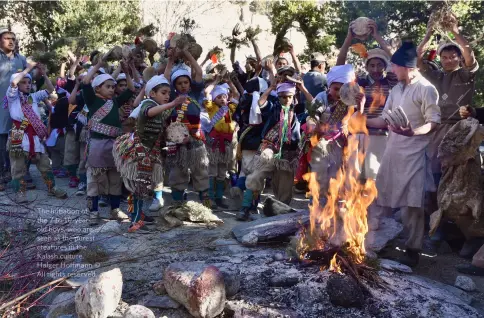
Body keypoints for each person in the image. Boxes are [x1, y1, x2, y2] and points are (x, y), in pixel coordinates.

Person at [365, 42, 441, 267]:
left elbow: (433, 122)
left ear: (406, 67)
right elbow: (384, 119)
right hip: (392, 152)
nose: (391, 71)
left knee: (412, 205)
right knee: (381, 197)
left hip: (415, 155)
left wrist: (412, 132)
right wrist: (360, 121)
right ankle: (377, 242)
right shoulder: (397, 89)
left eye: (394, 67)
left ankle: (412, 250)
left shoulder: (426, 89)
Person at [418, 15, 479, 256]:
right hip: (438, 131)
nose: (449, 59)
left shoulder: (465, 75)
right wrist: (428, 33)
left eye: (453, 56)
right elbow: (419, 59)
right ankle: (437, 228)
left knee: (463, 182)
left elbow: (468, 54)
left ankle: (471, 236)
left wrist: (454, 31)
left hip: (463, 130)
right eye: (444, 56)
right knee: (433, 178)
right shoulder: (437, 76)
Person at [336, 20, 397, 228]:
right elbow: (340, 64)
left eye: (380, 64)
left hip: (380, 136)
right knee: (353, 177)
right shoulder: (359, 82)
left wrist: (377, 35)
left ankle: (374, 219)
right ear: (366, 66)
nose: (376, 68)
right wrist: (349, 38)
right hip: (357, 135)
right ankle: (354, 217)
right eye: (372, 64)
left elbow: (395, 57)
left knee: (375, 178)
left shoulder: (390, 81)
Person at [114, 75, 184, 232]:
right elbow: (148, 113)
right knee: (137, 187)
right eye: (164, 93)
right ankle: (135, 220)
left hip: (149, 153)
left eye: (168, 93)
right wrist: (172, 103)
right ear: (152, 94)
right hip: (138, 152)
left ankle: (138, 215)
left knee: (142, 187)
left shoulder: (160, 108)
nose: (167, 96)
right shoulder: (148, 104)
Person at [236, 80, 306, 221]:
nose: (286, 100)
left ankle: (280, 213)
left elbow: (315, 105)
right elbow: (261, 103)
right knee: (255, 176)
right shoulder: (273, 108)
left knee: (284, 187)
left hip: (288, 153)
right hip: (268, 149)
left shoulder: (298, 110)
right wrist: (271, 88)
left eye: (289, 97)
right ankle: (246, 207)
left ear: (293, 97)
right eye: (283, 96)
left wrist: (302, 87)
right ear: (278, 96)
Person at [82, 58, 135, 224]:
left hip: (114, 145)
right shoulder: (92, 100)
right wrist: (98, 66)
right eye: (108, 86)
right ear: (97, 88)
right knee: (94, 180)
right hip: (97, 145)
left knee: (115, 178)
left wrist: (126, 71)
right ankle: (93, 212)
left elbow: (132, 89)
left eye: (113, 87)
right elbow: (85, 82)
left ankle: (115, 210)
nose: (112, 90)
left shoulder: (115, 101)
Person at [5, 62, 67, 202]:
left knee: (44, 164)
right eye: (24, 82)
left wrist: (44, 73)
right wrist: (29, 68)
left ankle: (52, 188)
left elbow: (51, 89)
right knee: (18, 167)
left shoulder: (33, 96)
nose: (27, 85)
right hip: (19, 134)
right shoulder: (12, 97)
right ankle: (20, 193)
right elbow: (14, 83)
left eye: (29, 82)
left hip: (35, 136)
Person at [164, 48, 211, 207]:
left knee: (201, 173)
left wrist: (187, 54)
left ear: (190, 84)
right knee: (177, 175)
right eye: (179, 83)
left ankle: (205, 206)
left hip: (196, 141)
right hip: (175, 142)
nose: (183, 85)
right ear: (174, 85)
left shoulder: (195, 95)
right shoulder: (171, 97)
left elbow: (198, 71)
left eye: (186, 82)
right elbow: (165, 78)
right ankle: (178, 206)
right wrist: (170, 61)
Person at [304, 64, 355, 203]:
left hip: (340, 142)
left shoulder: (351, 100)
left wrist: (346, 123)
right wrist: (313, 124)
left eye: (343, 90)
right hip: (322, 138)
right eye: (336, 89)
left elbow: (354, 116)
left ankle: (331, 201)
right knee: (319, 166)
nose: (339, 93)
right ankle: (317, 196)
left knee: (336, 171)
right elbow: (314, 114)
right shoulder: (322, 97)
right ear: (329, 87)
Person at [204, 78, 240, 209]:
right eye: (218, 97)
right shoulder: (211, 107)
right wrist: (214, 82)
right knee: (212, 171)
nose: (222, 99)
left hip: (226, 143)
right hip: (214, 143)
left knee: (222, 172)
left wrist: (230, 83)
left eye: (224, 96)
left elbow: (236, 95)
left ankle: (219, 198)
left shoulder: (229, 108)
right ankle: (210, 199)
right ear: (214, 99)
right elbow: (206, 93)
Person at [0, 27, 27, 191]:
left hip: (16, 109)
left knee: (18, 139)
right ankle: (2, 175)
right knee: (1, 141)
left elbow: (29, 81)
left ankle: (18, 174)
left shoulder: (21, 60)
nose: (11, 41)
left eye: (13, 39)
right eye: (7, 38)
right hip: (0, 108)